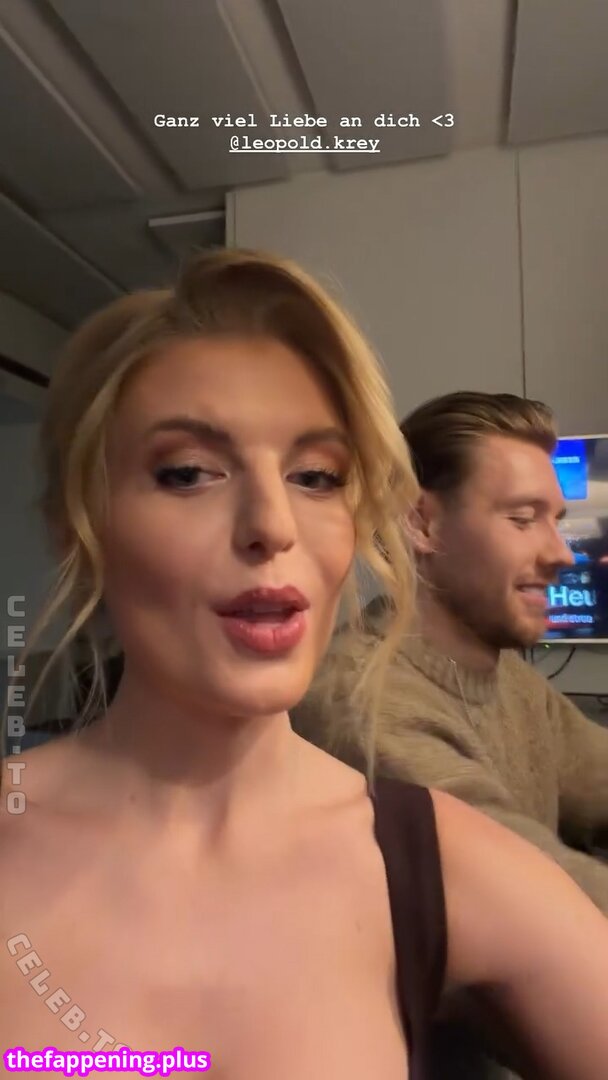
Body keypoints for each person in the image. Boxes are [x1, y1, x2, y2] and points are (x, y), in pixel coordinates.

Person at [1, 258, 608, 1080]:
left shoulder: (436, 860)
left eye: (317, 477)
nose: (273, 523)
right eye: (188, 473)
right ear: (78, 524)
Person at [293, 389, 608, 1076]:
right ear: (423, 524)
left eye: (556, 521)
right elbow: (546, 897)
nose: (561, 553)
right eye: (523, 519)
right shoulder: (362, 705)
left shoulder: (508, 679)